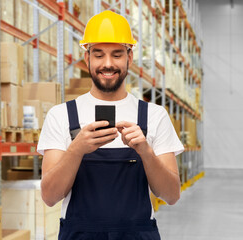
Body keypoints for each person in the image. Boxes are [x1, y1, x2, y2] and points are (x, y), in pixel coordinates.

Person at [37, 10, 184, 239]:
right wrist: (77, 149)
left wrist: (145, 151)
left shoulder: (154, 116)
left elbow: (172, 195)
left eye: (117, 54)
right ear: (87, 58)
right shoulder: (61, 116)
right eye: (98, 55)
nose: (107, 64)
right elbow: (49, 196)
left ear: (129, 58)